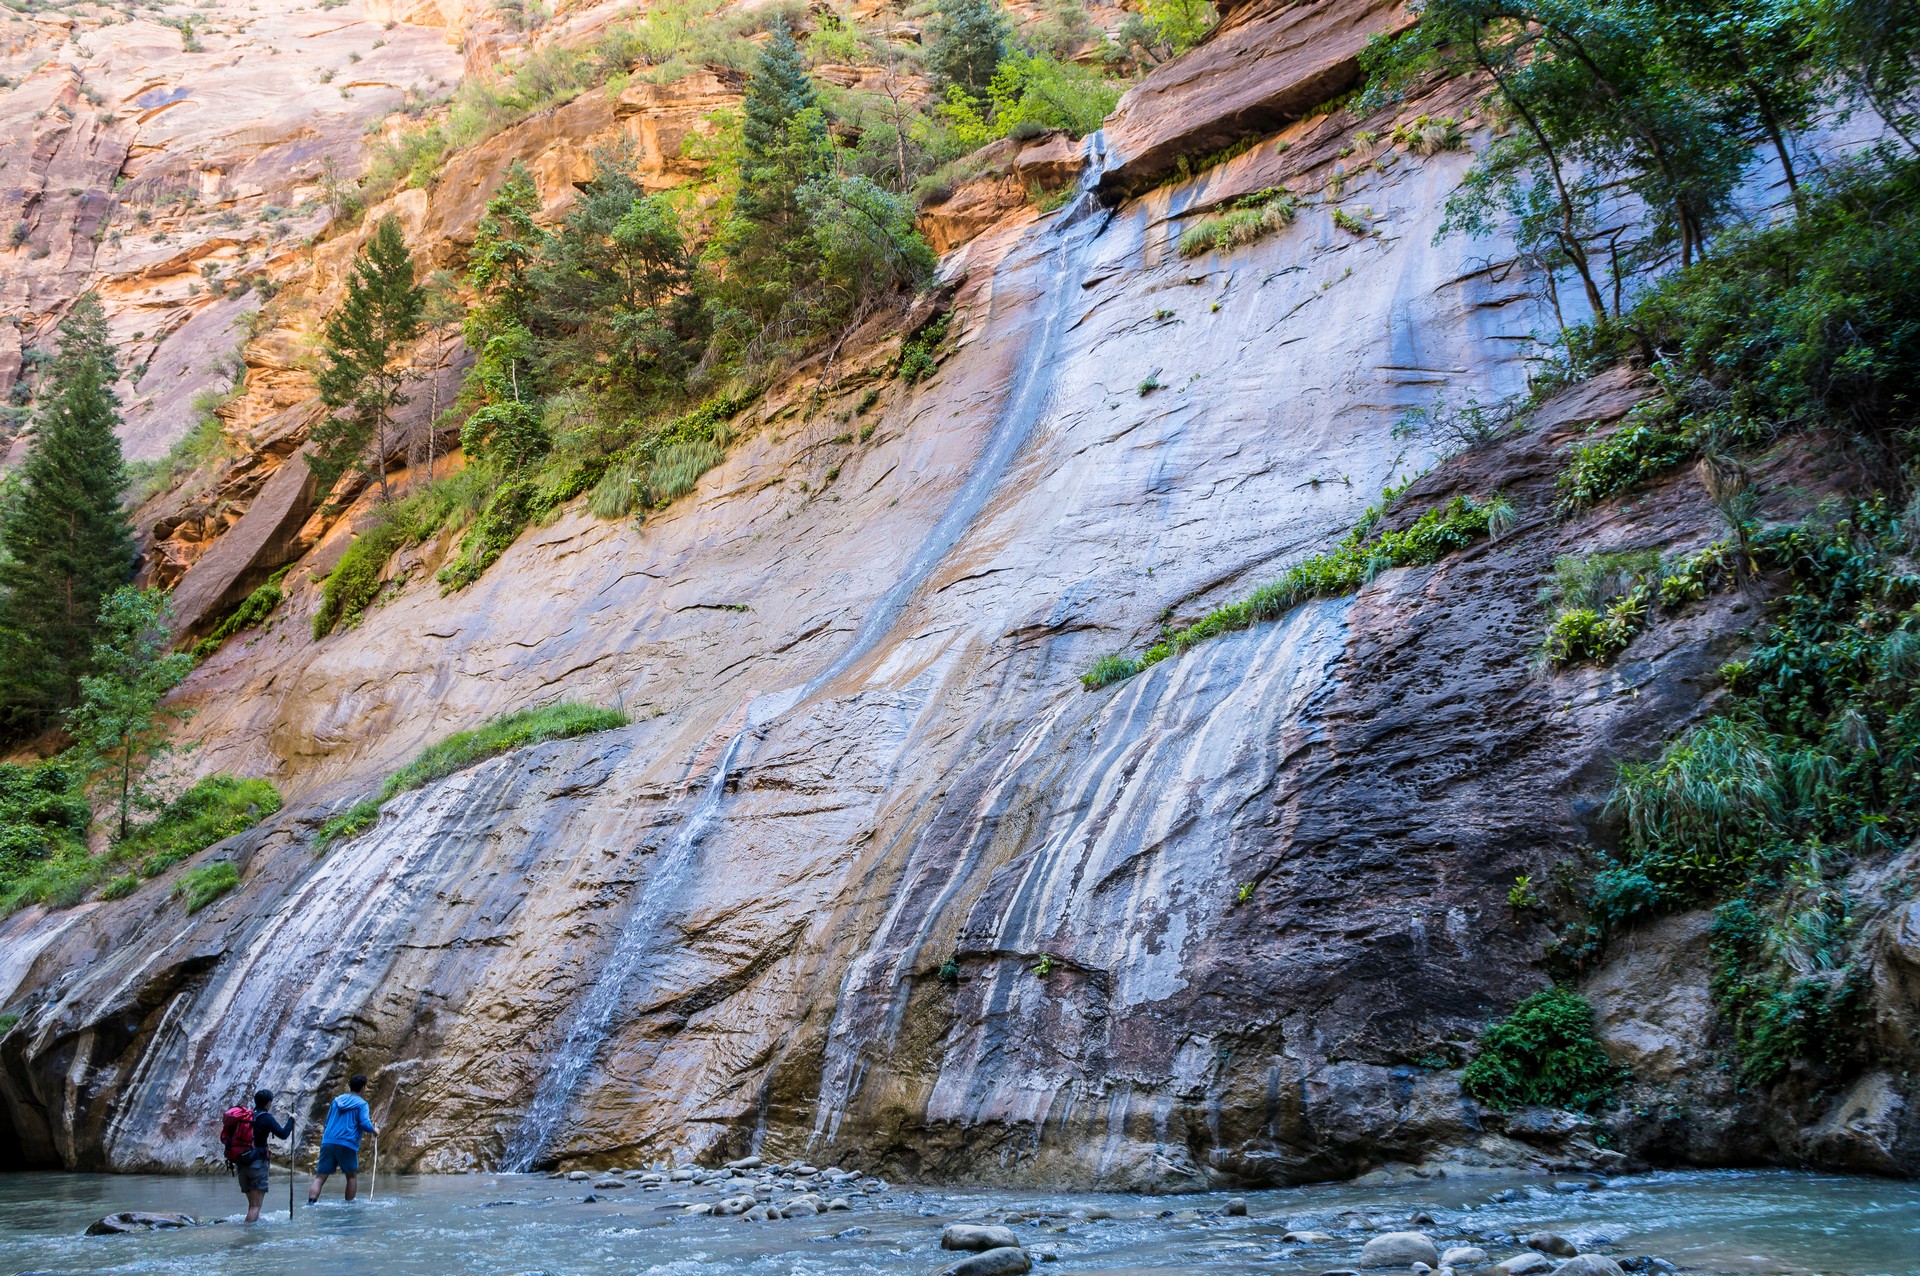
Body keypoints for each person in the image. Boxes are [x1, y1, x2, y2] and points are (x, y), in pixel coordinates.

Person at [307, 1073, 377, 1203]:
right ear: (363, 1088)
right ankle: (349, 1206)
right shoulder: (362, 1104)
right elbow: (364, 1123)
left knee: (320, 1177)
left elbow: (327, 1122)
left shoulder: (337, 1101)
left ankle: (311, 1202)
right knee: (351, 1176)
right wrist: (374, 1131)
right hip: (346, 1143)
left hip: (328, 1141)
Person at [232, 1089, 293, 1224]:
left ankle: (254, 1235)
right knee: (255, 1207)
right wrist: (291, 1120)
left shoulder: (247, 1117)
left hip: (242, 1163)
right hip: (257, 1163)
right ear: (268, 1103)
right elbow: (283, 1134)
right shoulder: (265, 1117)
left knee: (252, 1205)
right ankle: (247, 1238)